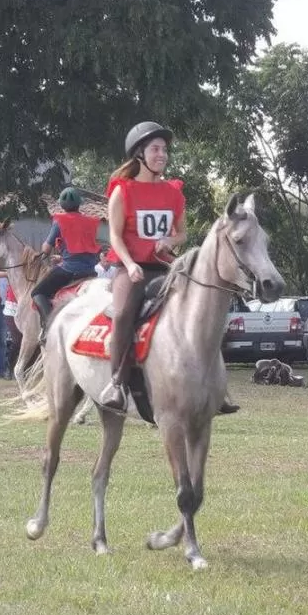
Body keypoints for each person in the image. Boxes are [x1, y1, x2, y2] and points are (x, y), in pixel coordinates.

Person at [97, 121, 239, 415]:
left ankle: (215, 385)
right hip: (132, 268)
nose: (162, 155)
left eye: (164, 150)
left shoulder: (173, 191)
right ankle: (117, 383)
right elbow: (114, 236)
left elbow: (183, 234)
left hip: (166, 267)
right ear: (140, 154)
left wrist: (169, 239)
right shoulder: (122, 191)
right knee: (124, 314)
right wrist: (129, 263)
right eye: (155, 149)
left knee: (202, 309)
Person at [30, 187, 103, 335]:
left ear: (62, 205)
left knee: (38, 293)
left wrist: (45, 252)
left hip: (69, 271)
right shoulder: (91, 222)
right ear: (79, 204)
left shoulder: (60, 221)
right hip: (89, 270)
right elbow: (82, 247)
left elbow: (46, 249)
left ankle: (50, 327)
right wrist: (63, 257)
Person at [2, 284, 21, 380]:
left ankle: (21, 368)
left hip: (24, 309)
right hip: (11, 309)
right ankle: (8, 369)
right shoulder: (12, 273)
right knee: (17, 340)